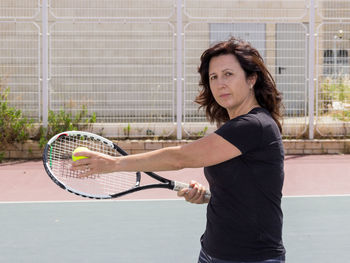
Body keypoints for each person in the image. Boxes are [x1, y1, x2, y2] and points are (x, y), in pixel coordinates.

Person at [72, 37, 286, 263]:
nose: (220, 83)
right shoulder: (237, 127)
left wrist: (114, 164)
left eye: (228, 74)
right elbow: (250, 191)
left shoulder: (254, 126)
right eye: (213, 77)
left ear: (251, 78)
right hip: (213, 252)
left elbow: (179, 158)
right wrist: (209, 197)